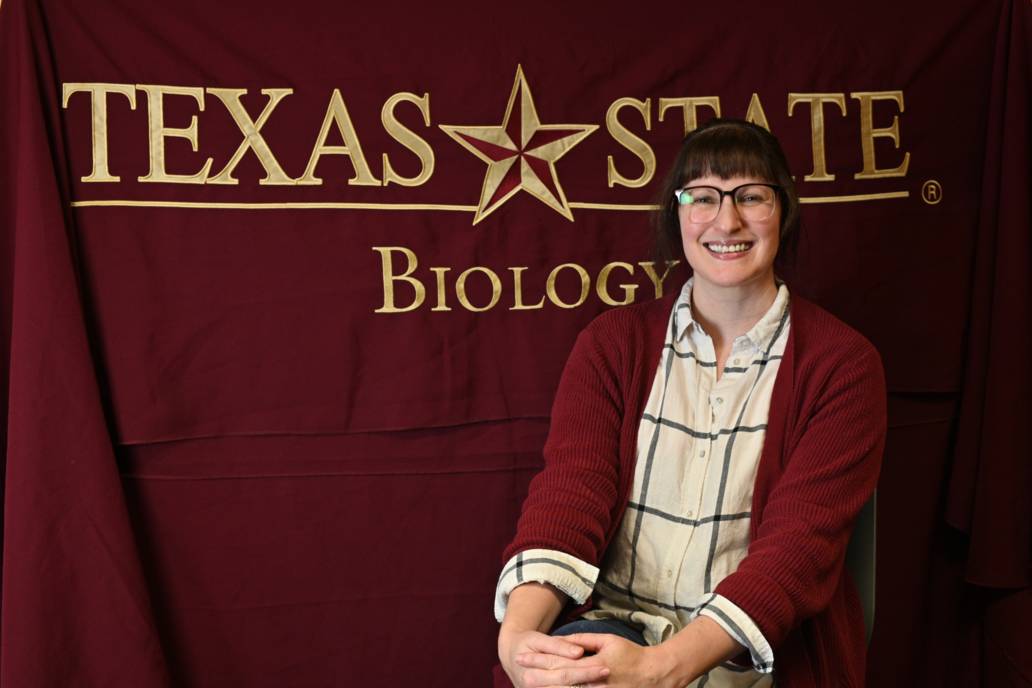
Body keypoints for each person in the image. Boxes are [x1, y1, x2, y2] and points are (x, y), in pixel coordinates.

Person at [492, 118, 887, 688]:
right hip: (614, 633)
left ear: (785, 212)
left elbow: (798, 552)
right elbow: (569, 498)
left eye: (751, 196)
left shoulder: (843, 366)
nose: (727, 221)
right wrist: (518, 643)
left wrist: (662, 670)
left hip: (753, 656)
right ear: (676, 215)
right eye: (703, 197)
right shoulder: (613, 344)